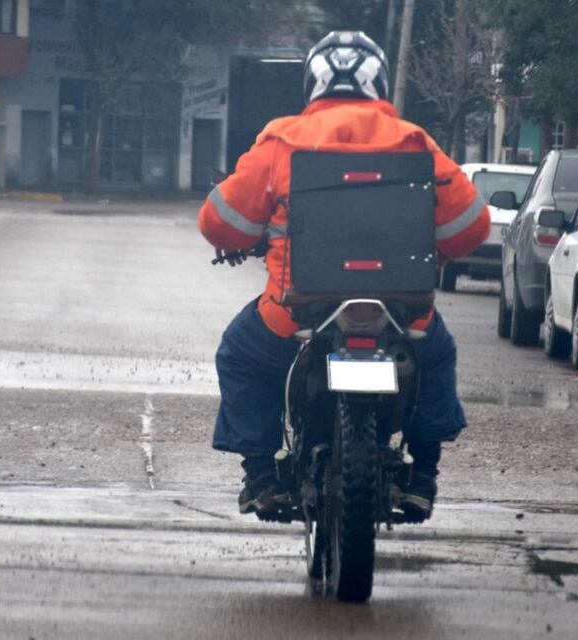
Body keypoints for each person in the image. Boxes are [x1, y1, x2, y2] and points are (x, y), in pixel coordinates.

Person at [198, 31, 489, 520]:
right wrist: (434, 243)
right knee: (437, 356)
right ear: (378, 82)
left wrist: (246, 238)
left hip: (297, 313)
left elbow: (221, 222)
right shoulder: (415, 142)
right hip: (401, 315)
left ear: (312, 81)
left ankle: (261, 476)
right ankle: (423, 475)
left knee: (240, 353)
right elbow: (472, 226)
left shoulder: (282, 140)